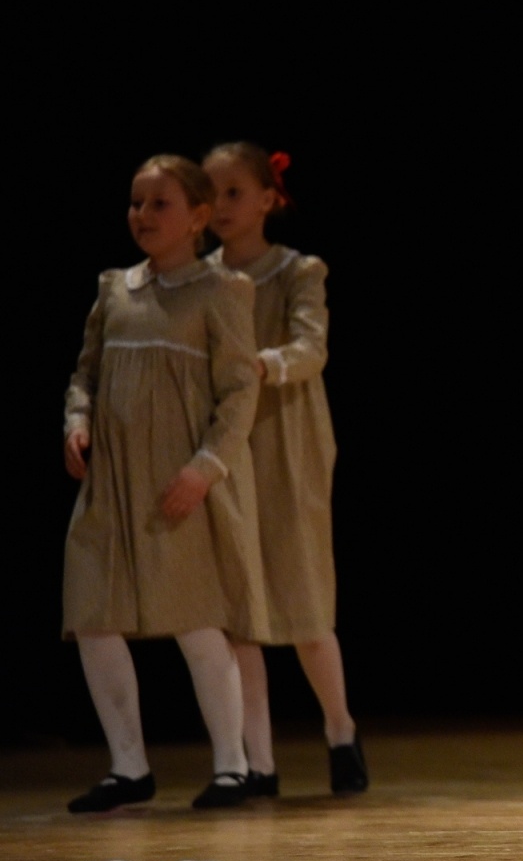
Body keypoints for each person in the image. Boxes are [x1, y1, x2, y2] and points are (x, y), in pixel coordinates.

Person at [62, 155, 267, 811]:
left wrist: (205, 469)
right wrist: (77, 420)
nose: (142, 216)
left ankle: (232, 765)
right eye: (136, 203)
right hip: (113, 481)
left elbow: (239, 393)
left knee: (197, 622)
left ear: (199, 218)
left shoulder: (221, 291)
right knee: (93, 616)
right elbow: (84, 373)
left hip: (179, 482)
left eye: (160, 205)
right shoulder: (114, 289)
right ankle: (129, 767)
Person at [203, 143, 367, 796]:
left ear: (268, 199)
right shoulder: (200, 277)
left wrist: (258, 366)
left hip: (288, 441)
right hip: (226, 445)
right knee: (240, 610)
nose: (220, 206)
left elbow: (309, 347)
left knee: (301, 600)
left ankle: (340, 728)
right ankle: (257, 761)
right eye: (209, 193)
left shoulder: (298, 270)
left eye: (233, 192)